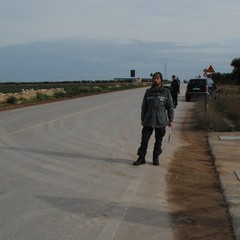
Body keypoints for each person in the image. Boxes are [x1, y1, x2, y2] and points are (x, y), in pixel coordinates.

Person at [133, 72, 174, 166]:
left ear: (161, 80)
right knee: (144, 140)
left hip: (161, 121)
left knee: (158, 141)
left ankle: (155, 158)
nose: (156, 80)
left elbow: (170, 107)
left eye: (158, 78)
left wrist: (171, 120)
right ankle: (141, 158)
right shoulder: (148, 92)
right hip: (148, 121)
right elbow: (144, 107)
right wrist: (142, 119)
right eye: (154, 78)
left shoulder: (166, 92)